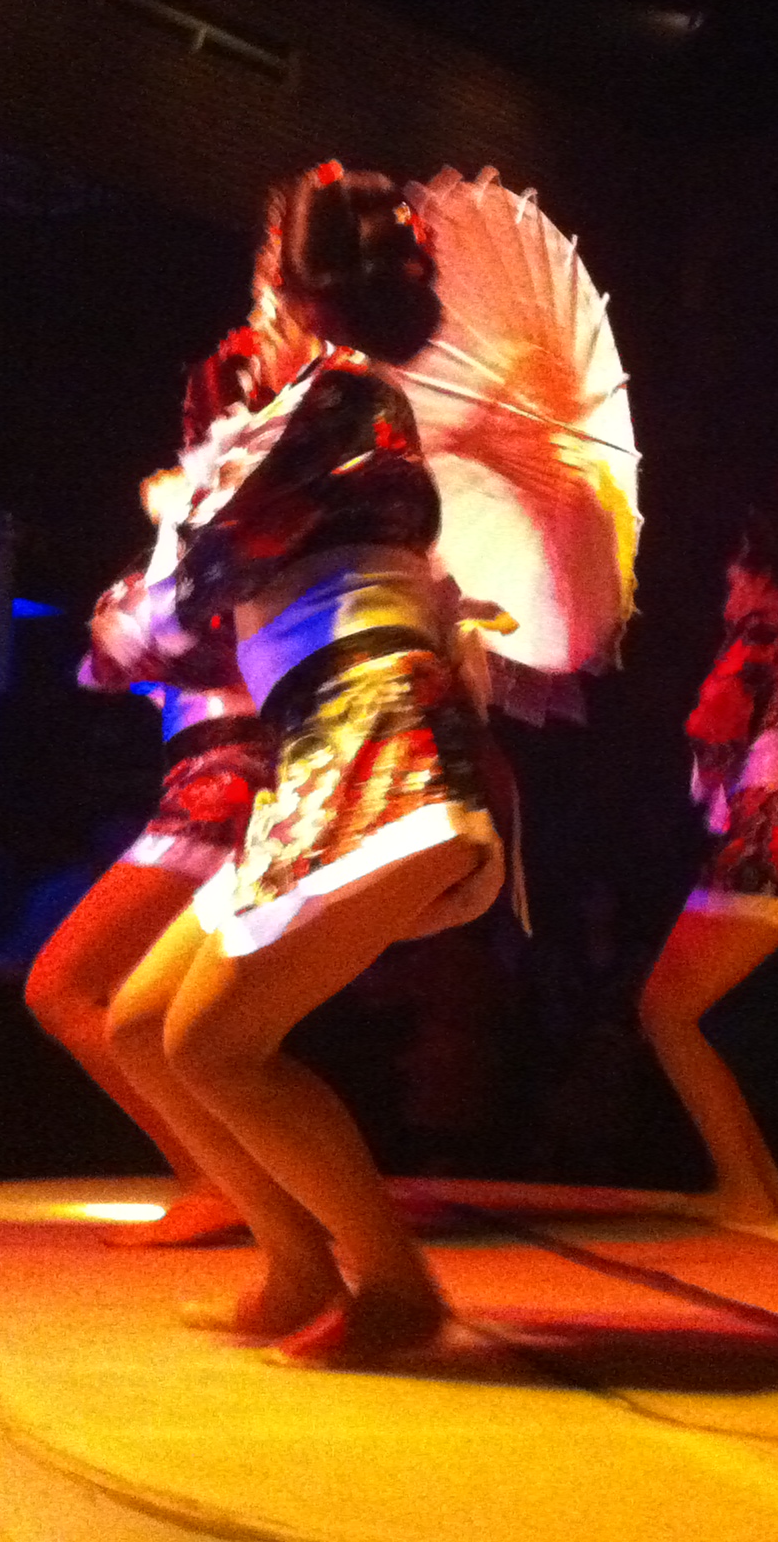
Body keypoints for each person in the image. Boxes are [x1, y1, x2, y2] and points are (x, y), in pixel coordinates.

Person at [104, 162, 508, 1367]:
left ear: (298, 285)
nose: (255, 297)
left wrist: (157, 550)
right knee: (145, 1022)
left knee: (214, 1042)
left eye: (265, 271)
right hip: (324, 742)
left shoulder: (343, 400)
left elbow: (190, 585)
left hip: (371, 734)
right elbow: (201, 593)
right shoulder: (324, 410)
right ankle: (295, 1262)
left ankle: (396, 1284)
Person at [24, 333, 279, 1245]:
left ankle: (224, 1181)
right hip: (220, 781)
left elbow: (126, 648)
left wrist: (171, 541)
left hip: (229, 784)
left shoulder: (257, 530)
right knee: (156, 1010)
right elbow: (108, 660)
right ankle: (237, 1183)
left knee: (65, 987)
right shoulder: (223, 532)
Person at [637, 499, 778, 1220]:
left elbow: (715, 720)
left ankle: (746, 1185)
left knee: (665, 1009)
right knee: (680, 1009)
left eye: (733, 580)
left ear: (761, 575)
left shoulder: (766, 628)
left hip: (770, 828)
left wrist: (702, 747)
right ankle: (763, 1188)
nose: (727, 596)